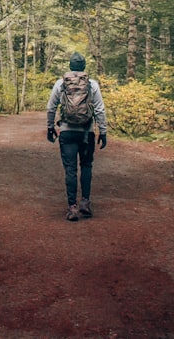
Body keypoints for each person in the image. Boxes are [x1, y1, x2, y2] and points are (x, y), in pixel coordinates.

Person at [46, 52, 107, 221]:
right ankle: (85, 203)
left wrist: (50, 127)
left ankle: (72, 207)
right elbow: (100, 109)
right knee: (86, 166)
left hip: (67, 131)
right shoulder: (92, 84)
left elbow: (51, 108)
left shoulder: (61, 83)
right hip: (87, 132)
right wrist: (103, 131)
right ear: (84, 66)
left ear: (70, 66)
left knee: (70, 169)